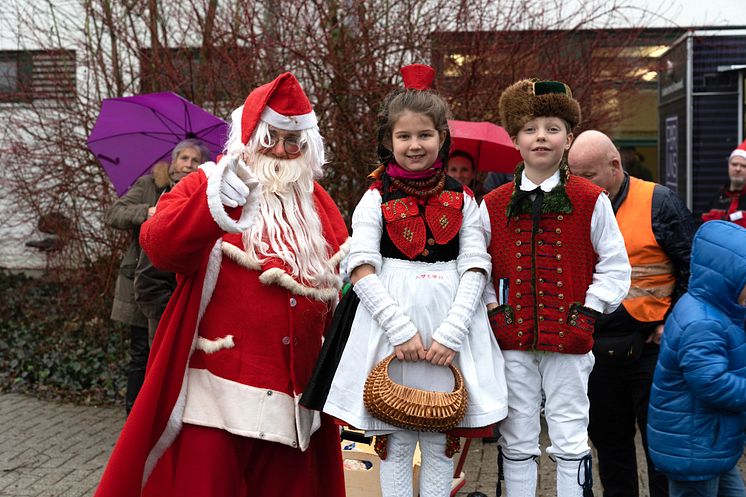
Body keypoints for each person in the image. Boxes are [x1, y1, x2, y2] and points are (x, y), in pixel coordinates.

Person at [94, 72, 349, 497]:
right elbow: (160, 247)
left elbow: (345, 285)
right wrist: (212, 203)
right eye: (272, 138)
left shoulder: (318, 203)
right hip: (216, 395)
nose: (283, 152)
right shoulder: (209, 182)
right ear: (251, 135)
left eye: (294, 141)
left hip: (294, 401)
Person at [324, 64, 508, 497]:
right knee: (395, 438)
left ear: (442, 137)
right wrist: (399, 329)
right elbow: (361, 266)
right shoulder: (373, 198)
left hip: (452, 330)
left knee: (443, 439)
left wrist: (452, 331)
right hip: (388, 327)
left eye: (424, 135)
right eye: (403, 136)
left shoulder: (464, 200)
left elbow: (476, 266)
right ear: (388, 141)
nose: (414, 144)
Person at [481, 79, 631, 497]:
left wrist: (588, 311)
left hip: (570, 339)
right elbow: (478, 269)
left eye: (552, 127)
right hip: (512, 340)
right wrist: (495, 310)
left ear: (568, 138)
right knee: (517, 435)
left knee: (569, 433)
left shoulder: (590, 198)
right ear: (514, 139)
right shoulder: (492, 203)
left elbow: (617, 267)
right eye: (530, 128)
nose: (541, 137)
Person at [568, 130, 695, 497]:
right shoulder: (576, 204)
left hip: (652, 348)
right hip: (597, 349)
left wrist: (671, 324)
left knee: (660, 447)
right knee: (609, 445)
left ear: (614, 165)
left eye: (587, 175)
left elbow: (692, 268)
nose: (579, 184)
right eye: (573, 175)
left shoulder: (659, 201)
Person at [105, 138, 209, 414]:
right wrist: (147, 212)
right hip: (137, 284)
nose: (188, 165)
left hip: (170, 284)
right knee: (141, 355)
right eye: (184, 158)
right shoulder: (149, 186)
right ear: (173, 161)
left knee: (167, 355)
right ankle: (134, 416)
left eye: (195, 160)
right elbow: (114, 213)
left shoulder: (201, 192)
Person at [647, 220, 746, 497]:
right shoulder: (703, 323)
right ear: (728, 277)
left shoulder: (716, 308)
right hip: (694, 447)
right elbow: (711, 383)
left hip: (710, 444)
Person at [701, 139, 746, 227]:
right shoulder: (717, 197)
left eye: (743, 166)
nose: (737, 169)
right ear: (728, 166)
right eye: (734, 164)